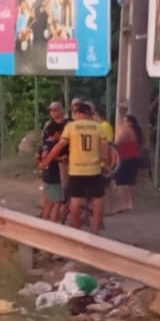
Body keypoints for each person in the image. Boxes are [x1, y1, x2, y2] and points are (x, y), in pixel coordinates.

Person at [45, 99, 107, 233]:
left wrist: (47, 161)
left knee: (75, 200)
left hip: (76, 169)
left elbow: (59, 146)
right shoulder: (98, 127)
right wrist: (106, 163)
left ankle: (76, 228)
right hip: (94, 169)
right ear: (89, 114)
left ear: (78, 113)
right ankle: (95, 231)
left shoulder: (71, 127)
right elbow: (105, 147)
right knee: (97, 199)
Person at [37, 100, 67, 222]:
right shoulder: (48, 125)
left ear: (61, 110)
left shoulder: (68, 124)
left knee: (60, 193)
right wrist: (42, 155)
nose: (53, 112)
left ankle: (55, 217)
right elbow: (44, 143)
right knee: (53, 196)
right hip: (52, 162)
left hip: (65, 161)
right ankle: (50, 219)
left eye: (55, 110)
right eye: (51, 110)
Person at [111, 115, 142, 215]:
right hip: (134, 157)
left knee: (121, 181)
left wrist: (120, 131)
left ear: (130, 122)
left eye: (124, 121)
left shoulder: (127, 131)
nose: (122, 123)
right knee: (130, 181)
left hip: (126, 157)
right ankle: (130, 203)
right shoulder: (136, 132)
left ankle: (124, 203)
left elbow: (118, 142)